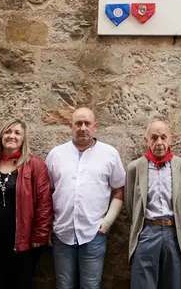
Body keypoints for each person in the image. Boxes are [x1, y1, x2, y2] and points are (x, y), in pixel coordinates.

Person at [45, 107, 126, 289]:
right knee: (64, 285)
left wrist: (106, 224)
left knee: (91, 286)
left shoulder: (109, 154)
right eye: (78, 123)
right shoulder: (56, 154)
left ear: (95, 126)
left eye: (87, 123)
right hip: (62, 232)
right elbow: (47, 192)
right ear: (70, 126)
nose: (83, 128)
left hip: (94, 234)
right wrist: (48, 225)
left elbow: (120, 189)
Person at [0, 119, 53, 289]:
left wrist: (40, 235)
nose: (12, 136)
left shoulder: (35, 166)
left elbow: (45, 203)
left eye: (17, 133)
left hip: (23, 242)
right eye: (8, 132)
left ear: (23, 139)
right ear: (1, 136)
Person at [125, 120, 181, 289]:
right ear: (147, 140)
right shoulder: (135, 167)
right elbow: (131, 204)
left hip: (173, 233)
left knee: (172, 283)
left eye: (163, 137)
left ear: (170, 139)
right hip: (147, 231)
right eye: (154, 138)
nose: (159, 143)